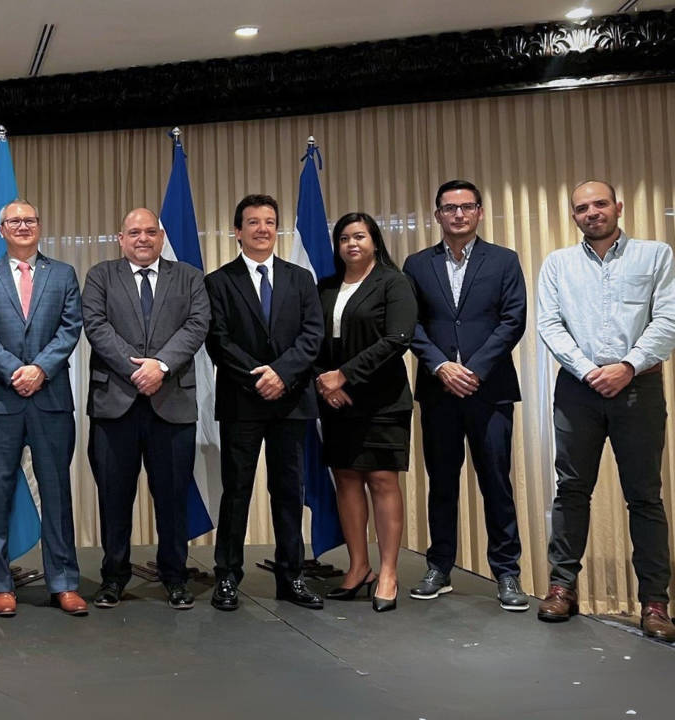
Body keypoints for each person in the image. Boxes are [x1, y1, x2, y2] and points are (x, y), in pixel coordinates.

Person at [535, 180, 675, 641]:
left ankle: (655, 603)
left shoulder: (656, 255)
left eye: (599, 204)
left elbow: (669, 319)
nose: (591, 212)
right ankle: (562, 588)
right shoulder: (558, 263)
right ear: (573, 216)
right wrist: (588, 371)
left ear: (618, 207)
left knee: (644, 497)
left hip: (640, 387)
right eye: (581, 208)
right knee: (571, 490)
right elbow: (550, 324)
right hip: (578, 390)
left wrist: (627, 367)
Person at [402, 180, 529, 611]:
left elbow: (513, 321)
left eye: (467, 207)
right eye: (449, 208)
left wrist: (471, 370)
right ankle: (439, 567)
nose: (458, 214)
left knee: (496, 481)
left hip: (488, 390)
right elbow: (410, 326)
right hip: (438, 392)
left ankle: (507, 573)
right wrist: (441, 366)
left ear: (479, 212)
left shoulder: (504, 260)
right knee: (441, 481)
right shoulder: (417, 264)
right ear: (437, 214)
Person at [81, 208, 210, 611]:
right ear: (120, 238)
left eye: (150, 232)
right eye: (134, 232)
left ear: (161, 236)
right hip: (114, 403)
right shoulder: (100, 276)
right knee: (114, 498)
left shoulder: (188, 276)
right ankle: (113, 577)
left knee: (173, 499)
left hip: (171, 402)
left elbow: (197, 325)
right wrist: (137, 369)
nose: (142, 239)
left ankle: (175, 576)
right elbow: (96, 326)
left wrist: (161, 366)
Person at [203, 194, 325, 612]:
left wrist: (282, 374)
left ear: (278, 229)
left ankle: (291, 576)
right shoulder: (218, 281)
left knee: (289, 491)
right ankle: (227, 578)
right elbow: (218, 340)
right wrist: (260, 376)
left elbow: (313, 336)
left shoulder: (300, 279)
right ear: (237, 232)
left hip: (291, 401)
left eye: (269, 222)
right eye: (252, 222)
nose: (262, 229)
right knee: (236, 491)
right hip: (242, 400)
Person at [0, 199, 86, 617]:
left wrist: (39, 370)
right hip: (0, 400)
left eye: (29, 220)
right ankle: (0, 583)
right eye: (14, 221)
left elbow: (70, 327)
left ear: (39, 226)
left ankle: (63, 582)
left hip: (51, 398)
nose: (22, 226)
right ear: (1, 230)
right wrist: (13, 371)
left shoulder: (63, 274)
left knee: (57, 494)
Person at [315, 212, 416, 612]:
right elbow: (310, 341)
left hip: (382, 399)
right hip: (336, 400)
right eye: (343, 238)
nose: (351, 244)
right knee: (346, 478)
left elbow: (398, 339)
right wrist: (325, 383)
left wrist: (345, 375)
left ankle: (388, 572)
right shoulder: (325, 287)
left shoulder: (394, 282)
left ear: (374, 240)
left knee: (381, 478)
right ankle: (358, 567)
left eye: (359, 236)